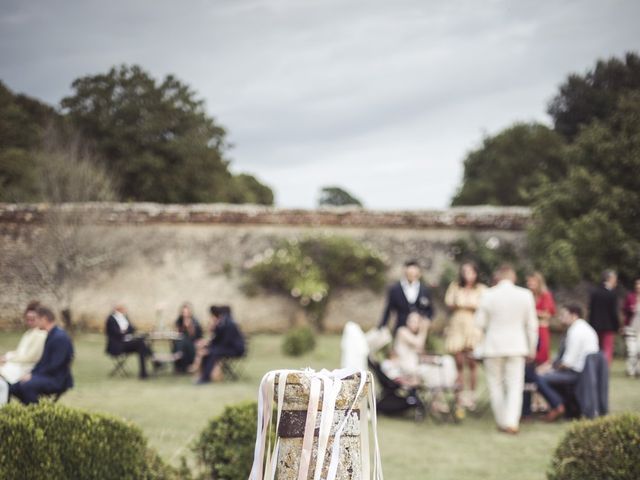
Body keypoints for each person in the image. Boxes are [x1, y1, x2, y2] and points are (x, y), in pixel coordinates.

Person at [475, 264, 538, 434]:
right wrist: (532, 348)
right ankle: (511, 422)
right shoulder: (525, 295)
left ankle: (502, 421)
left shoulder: (488, 294)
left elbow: (479, 323)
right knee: (515, 385)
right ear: (513, 277)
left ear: (497, 278)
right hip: (517, 346)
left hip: (493, 346)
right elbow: (532, 325)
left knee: (495, 385)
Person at [536, 305, 600, 422]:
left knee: (540, 379)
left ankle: (558, 406)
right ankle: (563, 407)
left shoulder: (575, 331)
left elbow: (567, 363)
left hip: (575, 373)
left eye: (564, 315)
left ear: (574, 316)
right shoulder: (584, 328)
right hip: (583, 372)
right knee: (545, 375)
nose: (561, 318)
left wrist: (550, 369)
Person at [9, 305, 74, 405]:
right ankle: (26, 410)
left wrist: (33, 376)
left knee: (27, 385)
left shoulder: (60, 337)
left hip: (57, 379)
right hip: (47, 376)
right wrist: (30, 373)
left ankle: (35, 412)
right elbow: (43, 362)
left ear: (44, 319)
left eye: (37, 319)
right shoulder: (51, 335)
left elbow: (55, 365)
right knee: (14, 387)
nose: (35, 322)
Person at [444, 262, 486, 410]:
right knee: (459, 362)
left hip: (472, 327)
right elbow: (450, 302)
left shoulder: (481, 289)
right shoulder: (455, 286)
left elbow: (481, 305)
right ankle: (459, 396)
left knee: (472, 362)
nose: (467, 275)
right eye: (465, 272)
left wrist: (463, 303)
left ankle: (471, 395)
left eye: (470, 272)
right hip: (457, 326)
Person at [523, 272, 556, 417]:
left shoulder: (545, 295)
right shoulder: (525, 296)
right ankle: (531, 402)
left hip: (541, 331)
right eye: (528, 282)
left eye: (533, 282)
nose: (530, 284)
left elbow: (548, 314)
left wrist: (533, 313)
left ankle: (541, 401)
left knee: (541, 365)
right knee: (530, 365)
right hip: (530, 330)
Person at [379, 260, 434, 334]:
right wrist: (382, 326)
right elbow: (388, 310)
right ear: (405, 272)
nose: (412, 275)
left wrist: (424, 320)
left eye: (415, 274)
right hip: (400, 329)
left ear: (419, 274)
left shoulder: (424, 290)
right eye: (410, 273)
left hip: (418, 330)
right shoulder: (395, 289)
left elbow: (430, 310)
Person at [0, 301, 47, 385]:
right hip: (17, 364)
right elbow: (20, 352)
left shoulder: (41, 334)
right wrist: (6, 356)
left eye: (33, 319)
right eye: (28, 319)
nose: (29, 322)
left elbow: (30, 357)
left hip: (25, 368)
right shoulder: (28, 333)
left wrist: (8, 359)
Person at [197, 306, 245, 384]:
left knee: (213, 352)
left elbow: (225, 342)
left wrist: (210, 349)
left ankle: (205, 378)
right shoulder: (222, 324)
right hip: (228, 348)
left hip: (236, 350)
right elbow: (217, 340)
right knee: (208, 352)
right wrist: (208, 347)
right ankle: (204, 376)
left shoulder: (229, 324)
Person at [105, 304, 152, 379]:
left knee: (142, 343)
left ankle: (144, 372)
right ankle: (152, 364)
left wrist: (125, 331)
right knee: (141, 343)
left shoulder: (125, 317)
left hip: (126, 343)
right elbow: (117, 334)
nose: (125, 311)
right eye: (123, 309)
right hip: (117, 346)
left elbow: (132, 329)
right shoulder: (111, 319)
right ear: (118, 309)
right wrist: (126, 331)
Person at [588, 270, 620, 366]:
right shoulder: (612, 294)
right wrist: (617, 326)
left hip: (595, 325)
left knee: (596, 347)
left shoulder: (595, 292)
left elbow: (591, 310)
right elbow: (613, 312)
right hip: (608, 326)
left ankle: (595, 366)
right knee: (607, 348)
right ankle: (604, 368)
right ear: (610, 279)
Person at [173, 302, 203, 373]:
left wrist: (189, 326)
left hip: (192, 340)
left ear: (189, 312)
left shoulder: (194, 320)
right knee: (179, 341)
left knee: (184, 342)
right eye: (183, 312)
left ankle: (179, 356)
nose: (185, 314)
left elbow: (194, 335)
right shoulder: (179, 320)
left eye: (186, 312)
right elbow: (178, 332)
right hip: (181, 340)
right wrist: (181, 327)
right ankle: (179, 362)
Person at [622, 278, 640, 376]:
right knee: (631, 350)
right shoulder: (630, 297)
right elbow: (624, 311)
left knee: (639, 350)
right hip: (631, 328)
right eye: (637, 284)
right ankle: (630, 370)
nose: (638, 286)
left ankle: (638, 369)